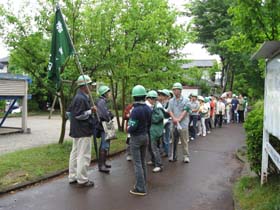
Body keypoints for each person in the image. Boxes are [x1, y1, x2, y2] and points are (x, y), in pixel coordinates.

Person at [68, 75, 95, 187]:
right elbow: (79, 115)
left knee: (75, 154)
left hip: (76, 130)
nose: (91, 87)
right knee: (83, 155)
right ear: (84, 86)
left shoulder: (77, 97)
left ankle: (73, 176)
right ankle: (82, 179)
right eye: (89, 85)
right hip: (83, 130)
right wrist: (91, 111)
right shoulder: (81, 98)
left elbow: (69, 113)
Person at [128, 85, 152, 196]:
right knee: (142, 161)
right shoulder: (148, 108)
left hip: (136, 138)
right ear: (144, 96)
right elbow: (150, 123)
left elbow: (132, 127)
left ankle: (140, 188)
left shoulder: (135, 111)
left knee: (137, 163)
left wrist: (128, 128)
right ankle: (143, 182)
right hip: (145, 136)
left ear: (134, 97)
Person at [168, 82, 190, 163]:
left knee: (184, 141)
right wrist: (174, 118)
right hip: (174, 124)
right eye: (173, 89)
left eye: (176, 89)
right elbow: (169, 110)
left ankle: (186, 156)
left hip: (183, 124)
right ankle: (174, 156)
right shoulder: (171, 101)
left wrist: (179, 119)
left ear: (180, 90)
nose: (174, 91)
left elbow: (186, 110)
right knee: (174, 141)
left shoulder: (186, 100)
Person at [95, 85, 114, 173]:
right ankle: (101, 165)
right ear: (105, 93)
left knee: (105, 144)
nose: (110, 94)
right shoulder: (101, 102)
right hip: (105, 125)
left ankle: (103, 163)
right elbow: (103, 115)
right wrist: (110, 115)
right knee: (104, 145)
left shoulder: (103, 101)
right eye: (108, 92)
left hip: (106, 125)